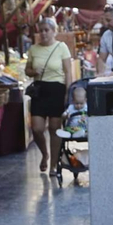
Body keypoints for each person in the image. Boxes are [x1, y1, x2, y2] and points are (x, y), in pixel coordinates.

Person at [26, 17, 76, 174]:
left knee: (55, 127)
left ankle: (54, 164)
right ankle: (45, 154)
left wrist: (68, 93)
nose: (43, 33)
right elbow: (27, 70)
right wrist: (34, 72)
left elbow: (68, 72)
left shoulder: (61, 47)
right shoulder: (33, 49)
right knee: (37, 127)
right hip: (39, 90)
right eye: (41, 30)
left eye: (47, 30)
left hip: (57, 89)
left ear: (54, 31)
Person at [97, 5, 113, 75]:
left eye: (108, 20)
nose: (106, 23)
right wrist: (100, 74)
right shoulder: (106, 35)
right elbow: (101, 59)